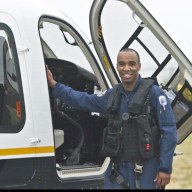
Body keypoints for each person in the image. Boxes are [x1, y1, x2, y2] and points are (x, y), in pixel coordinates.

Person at [46, 48, 177, 189]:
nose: (126, 68)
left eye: (132, 64)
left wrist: (165, 168)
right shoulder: (112, 95)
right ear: (117, 67)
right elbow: (82, 100)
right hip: (118, 169)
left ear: (139, 66)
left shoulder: (154, 94)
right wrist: (54, 85)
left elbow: (169, 131)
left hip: (146, 168)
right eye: (122, 64)